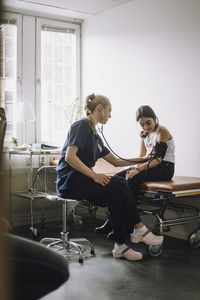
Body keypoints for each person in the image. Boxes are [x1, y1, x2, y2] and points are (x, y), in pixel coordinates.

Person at [56, 94, 164, 261]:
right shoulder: (81, 126)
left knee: (117, 195)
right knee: (120, 184)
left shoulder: (96, 136)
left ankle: (120, 246)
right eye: (109, 111)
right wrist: (95, 175)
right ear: (100, 108)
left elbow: (117, 162)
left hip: (83, 181)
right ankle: (139, 228)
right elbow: (70, 157)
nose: (110, 115)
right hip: (70, 181)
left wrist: (145, 159)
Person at [96, 104, 175, 237]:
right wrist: (131, 167)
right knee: (116, 180)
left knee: (130, 180)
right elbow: (142, 158)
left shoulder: (162, 131)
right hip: (150, 165)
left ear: (155, 118)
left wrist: (137, 170)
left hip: (164, 168)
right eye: (142, 124)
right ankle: (112, 221)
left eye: (148, 123)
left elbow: (158, 159)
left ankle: (125, 226)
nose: (145, 127)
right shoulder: (145, 135)